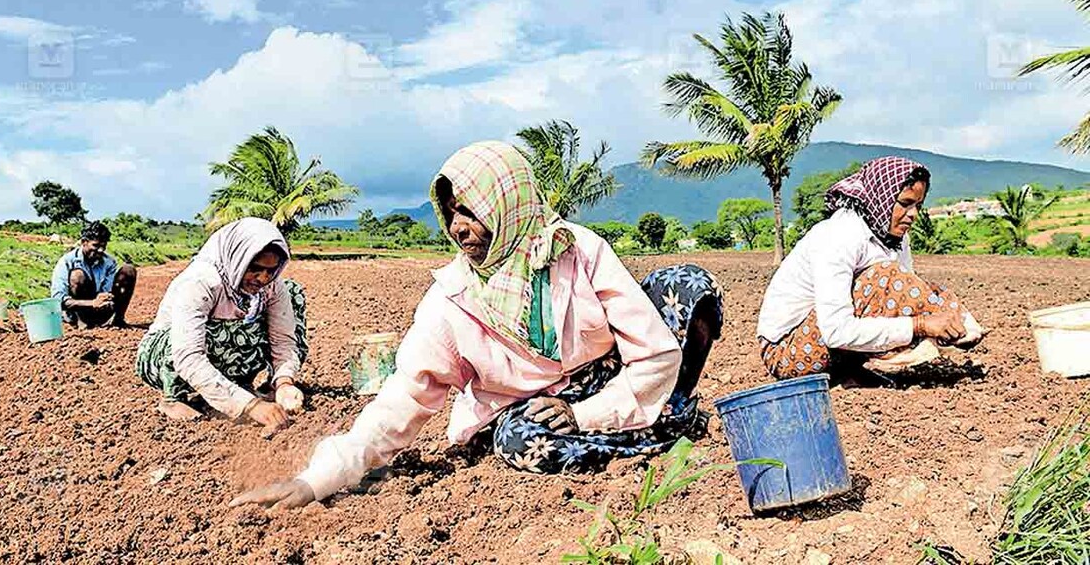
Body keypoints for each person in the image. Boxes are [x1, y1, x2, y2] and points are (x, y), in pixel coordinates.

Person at [230, 141, 724, 509]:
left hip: (606, 379)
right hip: (528, 411)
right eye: (450, 214)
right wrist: (317, 479)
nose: (458, 226)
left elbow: (654, 351)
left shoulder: (578, 249)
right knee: (522, 441)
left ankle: (658, 409)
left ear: (507, 204)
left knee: (687, 285)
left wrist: (588, 412)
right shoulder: (451, 301)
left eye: (470, 210)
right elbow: (404, 396)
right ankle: (669, 423)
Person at [756, 156, 986, 380]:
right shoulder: (839, 236)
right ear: (882, 199)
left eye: (918, 205)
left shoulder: (894, 237)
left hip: (830, 348)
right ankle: (933, 338)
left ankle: (958, 324)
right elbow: (836, 332)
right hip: (788, 352)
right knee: (885, 276)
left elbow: (906, 294)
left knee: (922, 286)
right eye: (905, 204)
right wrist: (920, 325)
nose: (913, 214)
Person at [135, 218, 309, 432]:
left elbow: (282, 338)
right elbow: (188, 355)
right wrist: (250, 406)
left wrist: (284, 382)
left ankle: (241, 386)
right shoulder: (201, 282)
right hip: (166, 355)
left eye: (271, 270)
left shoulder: (272, 286)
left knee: (292, 294)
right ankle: (173, 397)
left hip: (220, 350)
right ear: (239, 259)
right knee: (222, 331)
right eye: (255, 268)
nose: (263, 278)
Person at [50, 221, 136, 328]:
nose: (100, 250)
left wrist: (105, 297)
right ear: (83, 242)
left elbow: (107, 291)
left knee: (129, 270)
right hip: (77, 311)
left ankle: (118, 320)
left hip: (101, 309)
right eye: (95, 245)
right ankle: (81, 321)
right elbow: (57, 299)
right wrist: (92, 303)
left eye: (103, 246)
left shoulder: (109, 262)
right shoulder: (67, 261)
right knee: (77, 275)